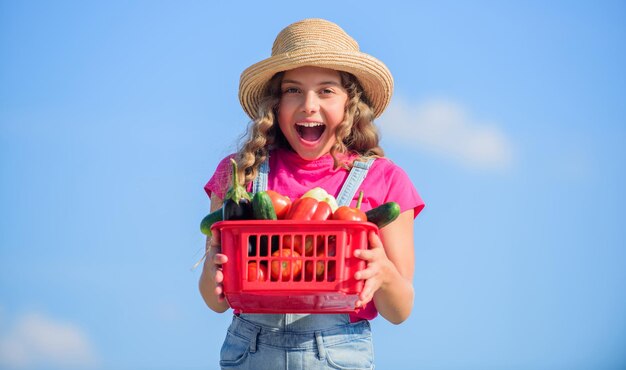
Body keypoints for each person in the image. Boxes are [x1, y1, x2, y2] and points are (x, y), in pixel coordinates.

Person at [199, 18, 425, 370]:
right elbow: (216, 302)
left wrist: (384, 274)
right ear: (275, 103)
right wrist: (211, 275)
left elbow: (400, 309)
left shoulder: (385, 179)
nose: (308, 104)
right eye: (292, 90)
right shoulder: (239, 174)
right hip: (251, 349)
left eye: (326, 90)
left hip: (337, 352)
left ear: (350, 103)